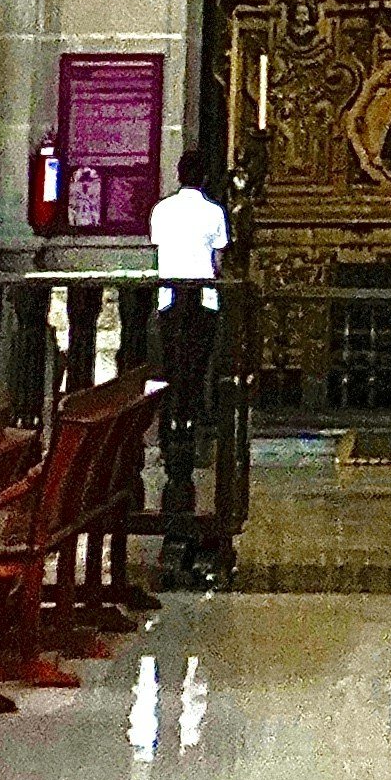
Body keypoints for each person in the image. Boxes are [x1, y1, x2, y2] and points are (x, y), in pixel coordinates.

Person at [150, 154, 232, 579]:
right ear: (204, 177)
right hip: (202, 300)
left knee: (172, 362)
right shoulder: (213, 212)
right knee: (198, 363)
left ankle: (173, 417)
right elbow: (218, 260)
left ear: (179, 176)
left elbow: (158, 249)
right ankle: (194, 413)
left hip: (168, 299)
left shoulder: (161, 211)